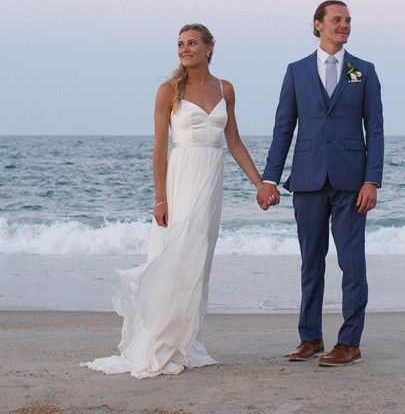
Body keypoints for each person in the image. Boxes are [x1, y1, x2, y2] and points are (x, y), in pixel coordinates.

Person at [84, 23, 268, 378]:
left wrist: (259, 184)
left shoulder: (225, 89)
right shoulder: (168, 90)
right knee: (175, 257)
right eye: (180, 44)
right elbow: (159, 150)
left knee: (198, 261)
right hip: (181, 176)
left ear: (209, 48)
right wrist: (160, 199)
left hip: (211, 177)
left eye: (192, 43)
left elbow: (234, 142)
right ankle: (159, 342)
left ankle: (184, 343)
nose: (184, 49)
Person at [257, 0, 384, 367]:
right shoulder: (296, 71)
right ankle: (310, 338)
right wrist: (270, 178)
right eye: (337, 19)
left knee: (352, 263)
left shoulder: (364, 71)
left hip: (351, 182)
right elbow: (284, 128)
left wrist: (372, 180)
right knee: (310, 263)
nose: (344, 25)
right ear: (318, 25)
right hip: (308, 178)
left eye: (348, 20)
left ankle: (349, 343)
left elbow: (375, 129)